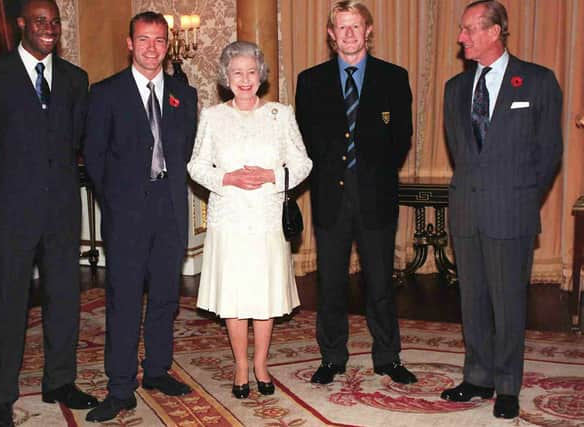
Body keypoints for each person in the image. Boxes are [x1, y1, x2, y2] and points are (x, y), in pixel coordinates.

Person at [0, 0, 97, 425]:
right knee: (8, 306)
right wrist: (6, 194)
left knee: (64, 301)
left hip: (60, 213)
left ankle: (60, 380)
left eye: (55, 22)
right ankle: (1, 399)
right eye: (40, 21)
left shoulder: (76, 80)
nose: (49, 28)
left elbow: (75, 142)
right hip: (12, 216)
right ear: (22, 24)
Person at [441, 0, 563, 419]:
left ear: (494, 31)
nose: (461, 38)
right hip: (466, 213)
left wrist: (523, 197)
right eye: (462, 30)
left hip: (511, 210)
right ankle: (477, 376)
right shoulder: (454, 89)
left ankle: (508, 384)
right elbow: (461, 152)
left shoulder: (536, 82)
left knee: (509, 302)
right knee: (472, 299)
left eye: (469, 29)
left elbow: (549, 153)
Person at [82, 11, 198, 422]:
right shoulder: (105, 93)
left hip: (169, 210)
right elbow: (94, 157)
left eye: (160, 40)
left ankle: (157, 371)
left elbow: (187, 153)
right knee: (125, 299)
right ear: (129, 43)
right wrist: (116, 200)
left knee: (166, 297)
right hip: (126, 213)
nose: (152, 48)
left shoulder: (185, 95)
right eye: (144, 40)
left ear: (168, 46)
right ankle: (119, 387)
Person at [295, 0, 416, 387]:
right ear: (331, 35)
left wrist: (370, 174)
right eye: (341, 27)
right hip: (330, 199)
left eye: (355, 27)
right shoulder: (310, 80)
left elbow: (401, 139)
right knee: (330, 284)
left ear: (368, 31)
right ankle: (331, 357)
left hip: (376, 197)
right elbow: (306, 141)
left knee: (380, 282)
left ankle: (387, 357)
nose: (348, 34)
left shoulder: (394, 77)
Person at [187, 41, 312, 399]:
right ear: (226, 77)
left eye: (251, 72)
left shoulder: (280, 114)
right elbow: (195, 165)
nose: (245, 79)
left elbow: (303, 163)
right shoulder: (213, 117)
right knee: (236, 295)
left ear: (262, 76)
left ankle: (261, 363)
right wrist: (227, 178)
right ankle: (241, 364)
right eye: (237, 73)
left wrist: (272, 175)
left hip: (267, 218)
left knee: (264, 293)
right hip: (229, 219)